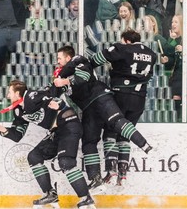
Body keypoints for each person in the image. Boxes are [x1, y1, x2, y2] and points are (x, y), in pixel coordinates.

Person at [53, 45, 153, 194]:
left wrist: (65, 82)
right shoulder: (61, 74)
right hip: (88, 108)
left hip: (100, 96)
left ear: (68, 58)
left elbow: (84, 77)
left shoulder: (77, 60)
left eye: (59, 58)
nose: (57, 61)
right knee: (88, 142)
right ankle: (96, 180)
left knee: (116, 121)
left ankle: (143, 144)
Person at [0, 80, 96, 209]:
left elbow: (52, 93)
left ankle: (86, 198)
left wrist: (60, 104)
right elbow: (17, 135)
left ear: (18, 93)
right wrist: (1, 129)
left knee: (66, 162)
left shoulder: (31, 96)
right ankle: (50, 194)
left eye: (9, 92)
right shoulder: (18, 110)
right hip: (56, 131)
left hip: (69, 124)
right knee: (34, 157)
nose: (7, 96)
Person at [90, 29, 157, 186]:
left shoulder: (123, 48)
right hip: (139, 100)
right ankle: (123, 174)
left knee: (110, 131)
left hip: (121, 95)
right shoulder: (151, 54)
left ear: (126, 40)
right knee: (124, 136)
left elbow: (99, 57)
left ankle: (111, 170)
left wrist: (89, 65)